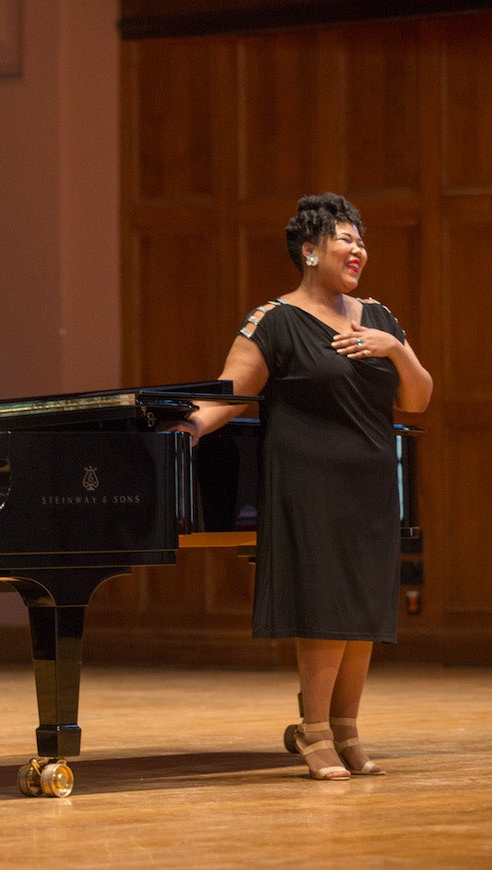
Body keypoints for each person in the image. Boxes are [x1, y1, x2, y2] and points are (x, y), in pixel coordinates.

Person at [169, 194, 432, 780]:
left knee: (363, 606)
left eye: (362, 239)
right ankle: (315, 733)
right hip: (308, 481)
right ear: (310, 251)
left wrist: (396, 351)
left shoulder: (381, 319)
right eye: (346, 239)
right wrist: (185, 431)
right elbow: (228, 395)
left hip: (369, 480)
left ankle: (348, 731)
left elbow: (416, 400)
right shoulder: (276, 321)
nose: (359, 248)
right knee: (324, 606)